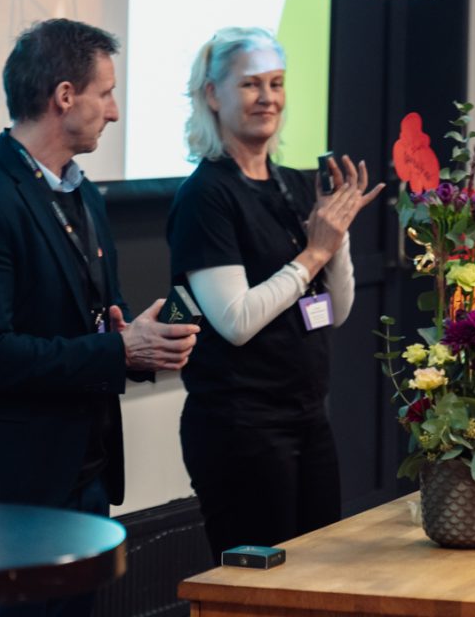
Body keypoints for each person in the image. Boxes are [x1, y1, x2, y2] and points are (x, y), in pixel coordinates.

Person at [0, 18, 198, 617]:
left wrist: (140, 338)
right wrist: (119, 351)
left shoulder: (86, 197)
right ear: (64, 97)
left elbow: (100, 321)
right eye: (105, 93)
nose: (115, 111)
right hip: (9, 498)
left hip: (84, 480)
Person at [166, 28, 382, 555]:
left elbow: (334, 312)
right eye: (251, 85)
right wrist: (313, 253)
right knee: (261, 591)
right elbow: (236, 322)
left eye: (277, 83)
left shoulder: (289, 183)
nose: (268, 98)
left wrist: (337, 238)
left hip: (306, 416)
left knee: (314, 581)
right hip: (242, 428)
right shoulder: (206, 196)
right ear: (213, 96)